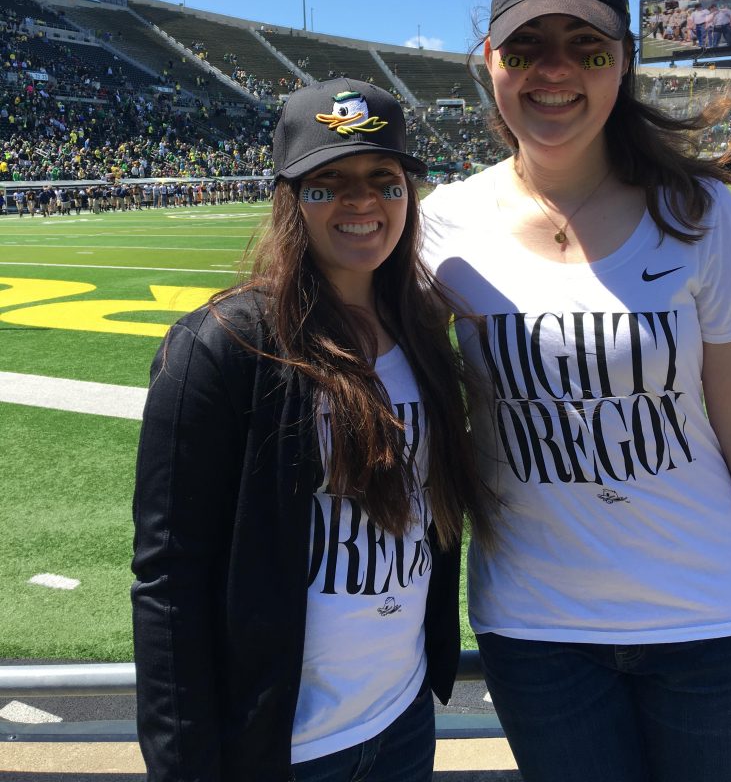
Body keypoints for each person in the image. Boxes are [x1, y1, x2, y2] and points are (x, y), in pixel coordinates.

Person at [422, 0, 731, 782]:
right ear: (490, 60)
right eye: (526, 47)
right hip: (537, 629)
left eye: (587, 47)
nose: (555, 71)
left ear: (624, 62)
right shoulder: (439, 225)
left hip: (711, 616)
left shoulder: (699, 212)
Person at [132, 78, 490, 782]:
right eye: (330, 183)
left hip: (402, 719)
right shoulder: (223, 346)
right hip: (285, 747)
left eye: (384, 180)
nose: (362, 202)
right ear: (290, 199)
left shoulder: (423, 333)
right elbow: (169, 579)